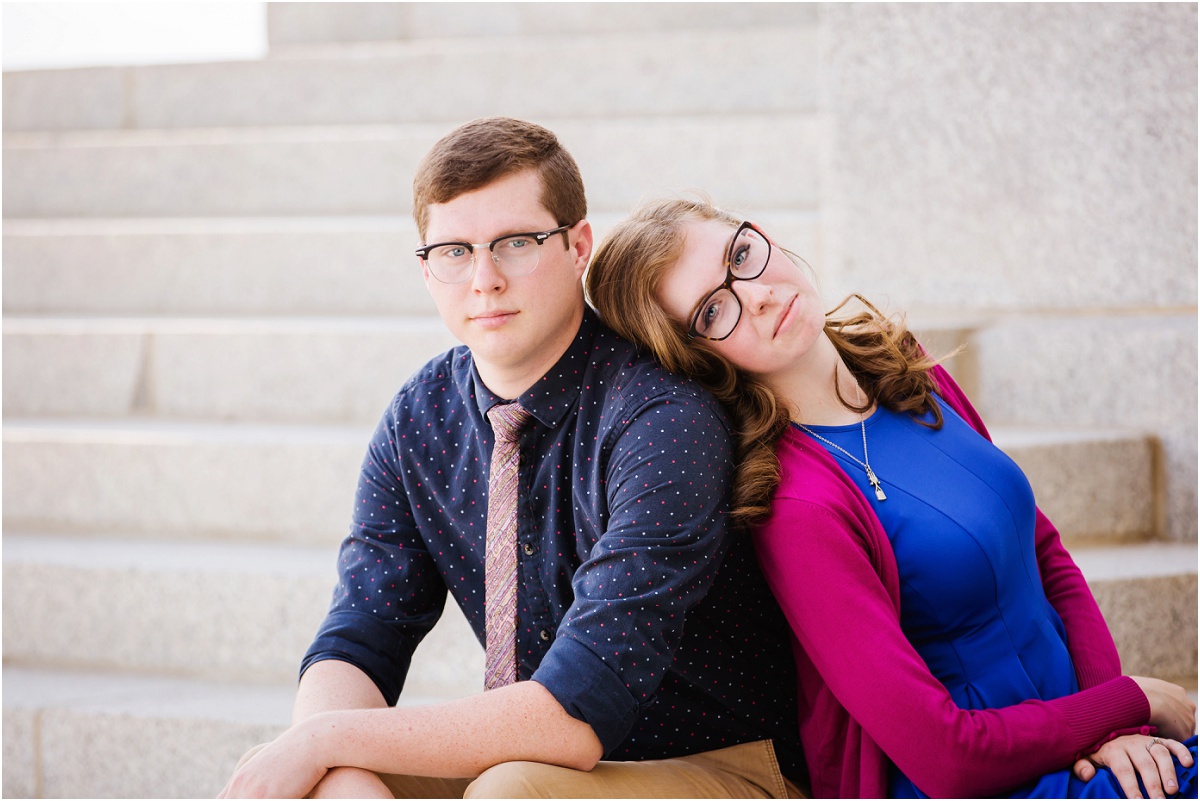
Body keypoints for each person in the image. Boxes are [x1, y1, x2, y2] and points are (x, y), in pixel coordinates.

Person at [219, 120, 806, 799]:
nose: (485, 279)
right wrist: (324, 760)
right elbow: (360, 634)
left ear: (578, 244)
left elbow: (578, 709)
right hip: (537, 760)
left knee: (505, 791)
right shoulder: (419, 420)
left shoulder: (661, 419)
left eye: (517, 244)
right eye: (454, 251)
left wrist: (321, 741)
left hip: (723, 765)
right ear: (425, 268)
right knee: (313, 783)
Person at [585, 197, 1198, 799]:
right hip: (996, 779)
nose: (759, 293)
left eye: (741, 254)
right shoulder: (798, 508)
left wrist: (1116, 724)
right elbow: (946, 757)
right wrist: (1128, 703)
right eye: (715, 311)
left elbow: (1043, 552)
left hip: (1089, 736)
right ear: (697, 357)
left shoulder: (903, 365)